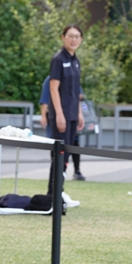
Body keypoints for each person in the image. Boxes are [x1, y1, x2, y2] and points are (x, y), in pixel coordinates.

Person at [46, 25, 85, 208]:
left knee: (67, 155)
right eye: (70, 36)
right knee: (59, 155)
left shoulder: (76, 61)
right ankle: (53, 194)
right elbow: (53, 88)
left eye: (77, 36)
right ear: (63, 37)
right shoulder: (58, 59)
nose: (74, 39)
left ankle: (58, 191)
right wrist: (59, 114)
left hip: (72, 115)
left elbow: (76, 91)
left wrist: (79, 112)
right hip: (60, 115)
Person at [40, 75, 85, 180]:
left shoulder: (72, 76)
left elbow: (79, 95)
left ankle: (76, 170)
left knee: (74, 142)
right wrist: (43, 116)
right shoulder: (51, 79)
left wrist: (79, 113)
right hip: (57, 116)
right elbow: (45, 98)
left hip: (71, 115)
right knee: (57, 143)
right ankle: (58, 170)